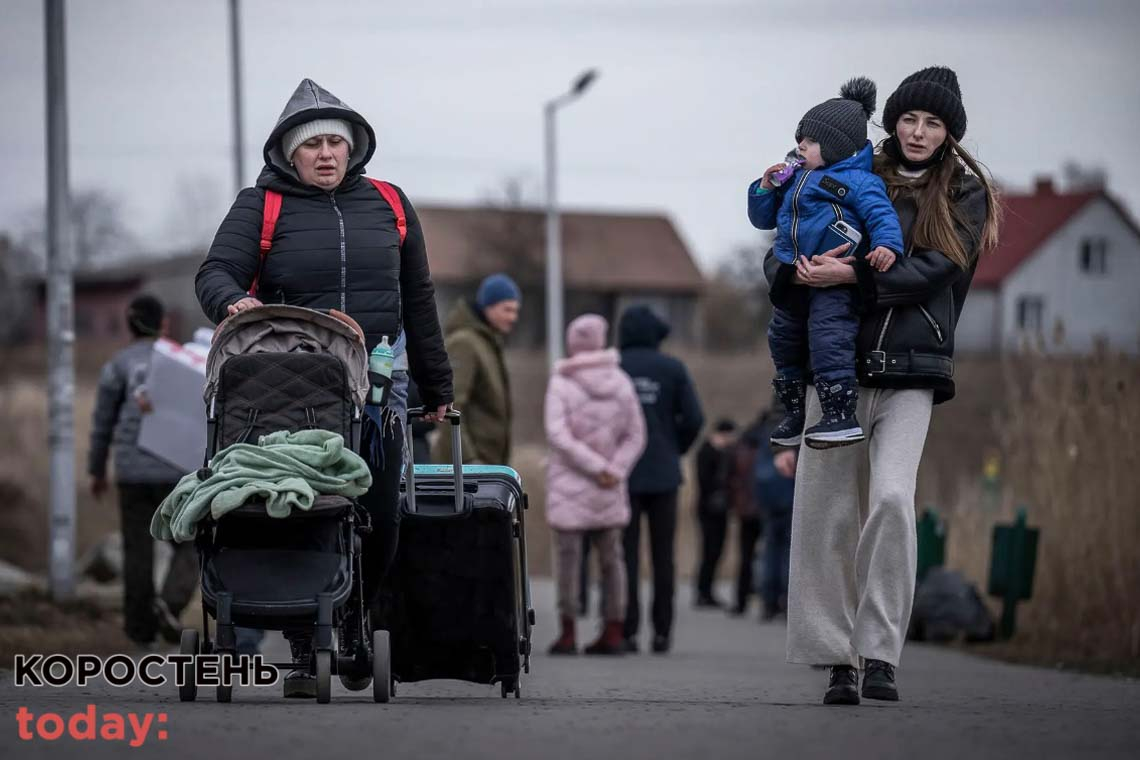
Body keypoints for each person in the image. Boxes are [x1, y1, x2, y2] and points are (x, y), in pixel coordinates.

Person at [195, 78, 453, 697]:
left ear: (355, 146)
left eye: (337, 142)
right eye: (313, 146)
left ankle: (356, 616)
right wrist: (233, 302)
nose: (326, 154)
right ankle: (306, 635)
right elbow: (216, 271)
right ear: (288, 153)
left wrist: (437, 385)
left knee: (382, 507)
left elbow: (417, 299)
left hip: (381, 380)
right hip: (290, 379)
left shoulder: (390, 203)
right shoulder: (261, 206)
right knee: (301, 501)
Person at [763, 66, 1001, 705]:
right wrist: (800, 275)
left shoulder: (965, 191)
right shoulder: (851, 167)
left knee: (893, 501)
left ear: (949, 132)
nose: (919, 132)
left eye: (933, 123)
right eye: (909, 119)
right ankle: (835, 658)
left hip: (914, 371)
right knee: (823, 513)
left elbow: (937, 270)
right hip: (833, 366)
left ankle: (879, 651)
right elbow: (781, 241)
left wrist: (853, 282)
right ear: (892, 121)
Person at [748, 78, 904, 450]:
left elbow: (882, 216)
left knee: (829, 339)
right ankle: (794, 410)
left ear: (835, 148)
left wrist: (887, 246)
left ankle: (839, 412)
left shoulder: (857, 182)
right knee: (782, 339)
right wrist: (765, 188)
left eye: (811, 142)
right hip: (794, 277)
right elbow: (762, 220)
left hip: (835, 281)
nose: (800, 146)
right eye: (800, 137)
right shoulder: (794, 178)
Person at [88, 294, 199, 647]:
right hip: (177, 469)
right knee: (192, 539)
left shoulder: (117, 366)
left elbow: (103, 421)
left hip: (132, 471)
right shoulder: (184, 361)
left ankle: (139, 630)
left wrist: (96, 470)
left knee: (138, 549)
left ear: (129, 324)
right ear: (164, 323)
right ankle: (169, 603)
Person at [544, 315, 646, 656]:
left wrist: (592, 466)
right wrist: (613, 469)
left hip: (568, 484)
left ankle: (568, 632)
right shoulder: (621, 382)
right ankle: (614, 631)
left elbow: (556, 433)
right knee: (612, 560)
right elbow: (636, 434)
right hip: (609, 485)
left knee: (569, 559)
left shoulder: (561, 382)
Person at [618, 305, 705, 653]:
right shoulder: (673, 369)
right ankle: (662, 632)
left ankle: (627, 630)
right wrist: (674, 449)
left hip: (620, 475)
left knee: (625, 555)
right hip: (664, 475)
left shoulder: (613, 368)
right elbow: (696, 419)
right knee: (662, 556)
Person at [432, 273, 520, 465]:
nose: (513, 317)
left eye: (515, 311)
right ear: (489, 306)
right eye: (507, 310)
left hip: (486, 466)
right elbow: (450, 408)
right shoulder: (465, 343)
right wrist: (469, 459)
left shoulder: (487, 343)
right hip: (465, 471)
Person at [750, 405, 797, 621]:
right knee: (790, 550)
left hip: (768, 498)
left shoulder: (765, 430)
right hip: (790, 494)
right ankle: (787, 600)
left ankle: (768, 600)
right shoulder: (793, 429)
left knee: (770, 548)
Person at [693, 419, 737, 609]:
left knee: (717, 551)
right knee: (709, 551)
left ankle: (708, 591)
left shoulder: (724, 453)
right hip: (707, 509)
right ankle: (703, 592)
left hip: (720, 509)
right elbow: (706, 480)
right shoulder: (707, 451)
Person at [725, 414, 764, 617]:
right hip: (770, 507)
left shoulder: (740, 448)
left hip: (745, 509)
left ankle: (740, 601)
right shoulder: (772, 445)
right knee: (776, 554)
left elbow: (730, 480)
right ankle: (771, 603)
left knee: (745, 557)